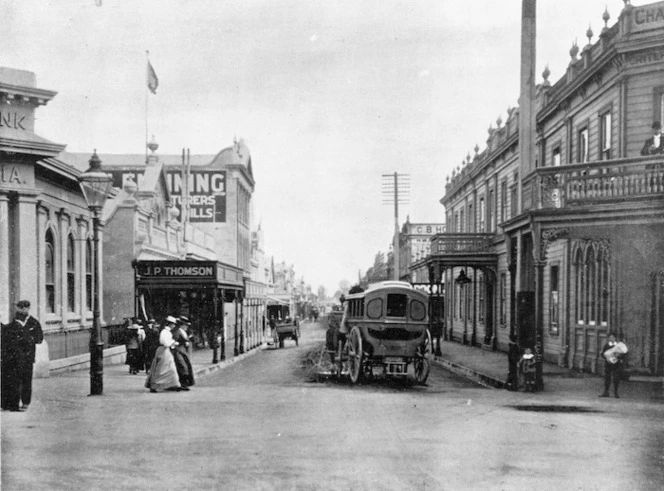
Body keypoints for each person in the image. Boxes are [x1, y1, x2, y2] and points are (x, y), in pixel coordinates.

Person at [1, 300, 43, 412]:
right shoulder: (14, 322)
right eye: (20, 308)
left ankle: (25, 402)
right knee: (14, 380)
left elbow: (39, 339)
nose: (21, 310)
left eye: (24, 308)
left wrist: (29, 339)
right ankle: (12, 403)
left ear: (28, 308)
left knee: (26, 380)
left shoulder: (34, 323)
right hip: (15, 358)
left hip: (28, 357)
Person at [145, 316, 181, 393]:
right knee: (162, 368)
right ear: (169, 324)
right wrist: (173, 342)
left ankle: (173, 384)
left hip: (166, 351)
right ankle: (156, 385)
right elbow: (165, 342)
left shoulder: (167, 332)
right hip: (163, 351)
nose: (174, 326)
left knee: (170, 368)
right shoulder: (165, 332)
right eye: (173, 324)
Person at [600, 333, 627, 398]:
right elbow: (603, 354)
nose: (611, 339)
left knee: (616, 378)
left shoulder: (619, 345)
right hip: (608, 364)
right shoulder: (606, 345)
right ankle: (606, 392)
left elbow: (624, 354)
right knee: (607, 378)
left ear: (615, 338)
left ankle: (616, 392)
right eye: (610, 337)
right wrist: (606, 358)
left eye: (613, 337)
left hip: (616, 364)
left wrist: (619, 357)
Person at [172, 317, 195, 390]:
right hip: (178, 351)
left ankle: (185, 383)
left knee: (186, 366)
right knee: (182, 366)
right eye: (185, 325)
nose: (186, 327)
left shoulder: (184, 332)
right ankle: (182, 384)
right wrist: (184, 342)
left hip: (183, 351)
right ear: (181, 325)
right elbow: (175, 341)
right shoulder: (177, 332)